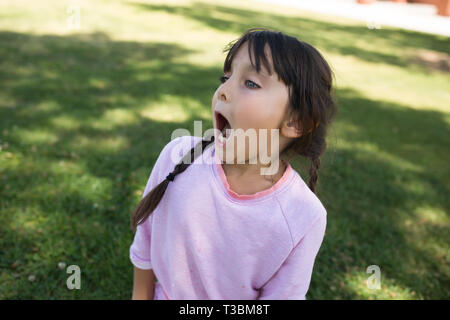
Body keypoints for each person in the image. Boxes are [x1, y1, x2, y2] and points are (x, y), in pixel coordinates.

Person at [129, 27, 337, 300]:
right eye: (225, 77)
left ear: (296, 122)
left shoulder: (304, 217)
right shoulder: (177, 155)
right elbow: (145, 241)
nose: (223, 91)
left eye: (250, 83)